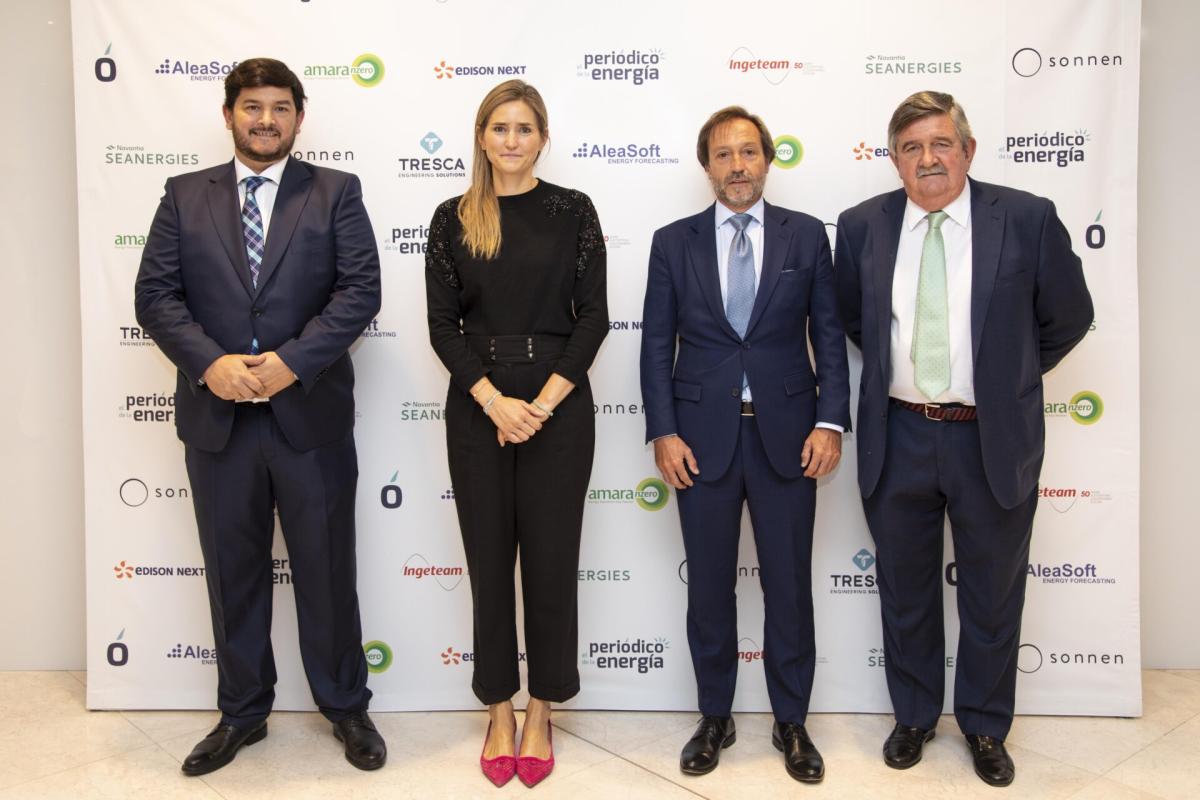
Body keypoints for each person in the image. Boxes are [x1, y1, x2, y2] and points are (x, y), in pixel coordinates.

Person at [834, 91, 1093, 787]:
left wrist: (1006, 373)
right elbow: (855, 321)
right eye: (912, 147)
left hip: (991, 439)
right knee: (906, 592)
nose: (928, 159)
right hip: (902, 437)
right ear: (894, 161)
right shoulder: (861, 227)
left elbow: (1069, 316)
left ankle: (983, 725)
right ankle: (914, 717)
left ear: (968, 151)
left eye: (941, 143)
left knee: (992, 594)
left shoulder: (1028, 219)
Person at [134, 58, 385, 775]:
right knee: (232, 571)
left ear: (300, 118)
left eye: (280, 107)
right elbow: (156, 296)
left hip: (308, 417)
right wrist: (210, 363)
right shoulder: (184, 196)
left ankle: (345, 707)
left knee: (327, 569)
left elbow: (359, 291)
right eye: (252, 106)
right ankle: (243, 712)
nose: (265, 119)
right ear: (229, 115)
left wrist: (289, 363)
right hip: (219, 421)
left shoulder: (334, 192)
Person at [640, 106, 850, 783]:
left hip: (790, 438)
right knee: (708, 587)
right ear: (708, 166)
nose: (738, 166)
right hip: (700, 442)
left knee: (790, 587)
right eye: (724, 155)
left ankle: (792, 722)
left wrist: (831, 421)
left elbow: (830, 337)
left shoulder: (805, 238)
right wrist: (663, 431)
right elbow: (654, 346)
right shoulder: (673, 242)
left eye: (749, 152)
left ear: (769, 159)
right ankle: (715, 717)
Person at [424, 79, 607, 789]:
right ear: (480, 136)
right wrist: (496, 401)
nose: (510, 139)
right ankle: (497, 707)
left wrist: (543, 403)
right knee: (490, 564)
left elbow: (593, 316)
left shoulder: (572, 211)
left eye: (524, 128)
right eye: (498, 127)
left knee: (553, 565)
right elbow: (442, 324)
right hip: (479, 406)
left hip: (559, 405)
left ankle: (540, 708)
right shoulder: (453, 217)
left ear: (542, 137)